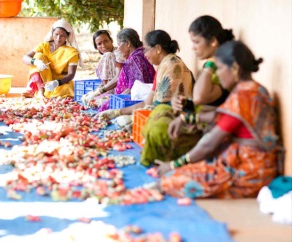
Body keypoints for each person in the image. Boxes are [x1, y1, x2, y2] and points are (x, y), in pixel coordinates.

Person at [153, 40, 284, 199]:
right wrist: (187, 118)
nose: (218, 74)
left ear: (235, 68)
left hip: (250, 172)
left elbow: (209, 144)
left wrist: (174, 164)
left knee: (170, 180)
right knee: (185, 171)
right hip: (259, 164)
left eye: (220, 68)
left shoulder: (242, 96)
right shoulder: (256, 89)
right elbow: (222, 116)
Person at [139, 15, 235, 166]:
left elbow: (202, 99)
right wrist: (185, 105)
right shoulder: (213, 65)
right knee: (160, 111)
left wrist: (211, 63)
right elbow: (205, 102)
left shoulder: (222, 67)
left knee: (160, 128)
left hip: (213, 131)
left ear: (213, 42)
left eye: (197, 42)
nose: (193, 47)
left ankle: (166, 158)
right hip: (203, 118)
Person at [95, 30, 194, 131]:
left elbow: (163, 105)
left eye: (146, 50)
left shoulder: (172, 65)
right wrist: (118, 112)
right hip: (165, 113)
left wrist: (133, 119)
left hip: (180, 118)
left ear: (158, 49)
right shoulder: (162, 67)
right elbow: (147, 102)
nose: (144, 54)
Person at [83, 28, 156, 112]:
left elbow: (134, 88)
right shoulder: (139, 54)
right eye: (99, 44)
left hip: (133, 100)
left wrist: (115, 99)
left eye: (119, 44)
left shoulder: (135, 59)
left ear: (128, 43)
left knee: (102, 106)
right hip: (133, 96)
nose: (119, 49)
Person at [22, 19, 83, 99]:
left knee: (66, 89)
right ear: (52, 33)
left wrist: (57, 82)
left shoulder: (72, 52)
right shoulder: (44, 46)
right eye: (56, 34)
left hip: (60, 82)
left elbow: (71, 74)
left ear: (67, 36)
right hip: (44, 80)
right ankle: (40, 90)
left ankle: (42, 93)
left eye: (62, 36)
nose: (58, 38)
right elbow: (25, 57)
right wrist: (35, 62)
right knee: (38, 56)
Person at [81, 30, 125, 106]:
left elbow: (118, 78)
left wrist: (98, 92)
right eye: (99, 44)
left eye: (106, 41)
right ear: (96, 47)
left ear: (111, 40)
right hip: (107, 89)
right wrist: (94, 92)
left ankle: (108, 97)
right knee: (86, 98)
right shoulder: (106, 56)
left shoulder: (116, 53)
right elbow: (105, 82)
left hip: (119, 90)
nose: (103, 46)